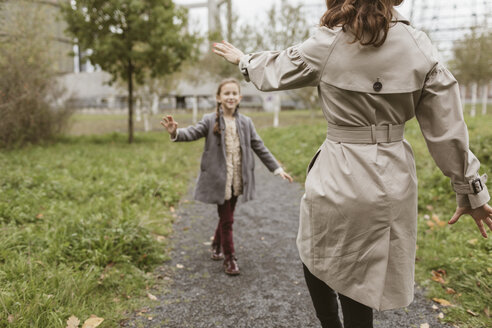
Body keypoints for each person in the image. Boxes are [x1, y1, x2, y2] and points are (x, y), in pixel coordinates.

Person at [212, 0, 492, 327]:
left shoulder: (328, 42)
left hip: (339, 169)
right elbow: (447, 129)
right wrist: (471, 192)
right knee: (364, 273)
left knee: (314, 251)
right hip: (394, 175)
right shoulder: (419, 45)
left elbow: (275, 69)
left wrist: (244, 60)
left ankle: (330, 323)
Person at [161, 79, 293, 276]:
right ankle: (229, 258)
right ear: (219, 97)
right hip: (219, 180)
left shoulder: (246, 122)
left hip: (238, 178)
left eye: (234, 93)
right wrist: (175, 133)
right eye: (226, 93)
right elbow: (192, 132)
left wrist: (277, 169)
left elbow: (259, 146)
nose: (230, 97)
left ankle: (216, 243)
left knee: (227, 216)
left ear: (239, 97)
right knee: (228, 220)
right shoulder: (209, 120)